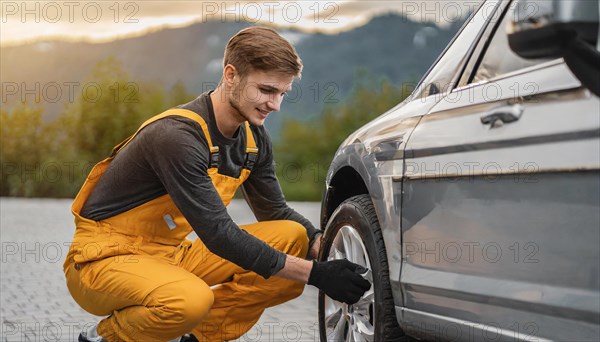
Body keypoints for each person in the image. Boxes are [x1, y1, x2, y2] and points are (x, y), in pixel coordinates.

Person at [63, 26, 370, 342]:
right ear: (231, 75)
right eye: (266, 90)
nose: (275, 105)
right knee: (191, 299)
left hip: (170, 255)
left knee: (294, 239)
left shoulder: (253, 139)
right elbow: (219, 235)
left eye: (282, 93)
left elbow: (275, 212)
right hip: (102, 261)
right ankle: (103, 337)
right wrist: (317, 275)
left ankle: (198, 337)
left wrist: (326, 249)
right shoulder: (177, 138)